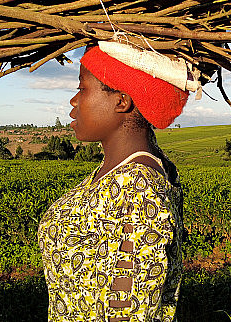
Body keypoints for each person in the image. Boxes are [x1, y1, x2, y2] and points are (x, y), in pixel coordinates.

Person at [37, 41, 200, 322]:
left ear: (121, 101)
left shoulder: (139, 191)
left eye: (82, 88)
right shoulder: (119, 170)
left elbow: (128, 307)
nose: (73, 101)